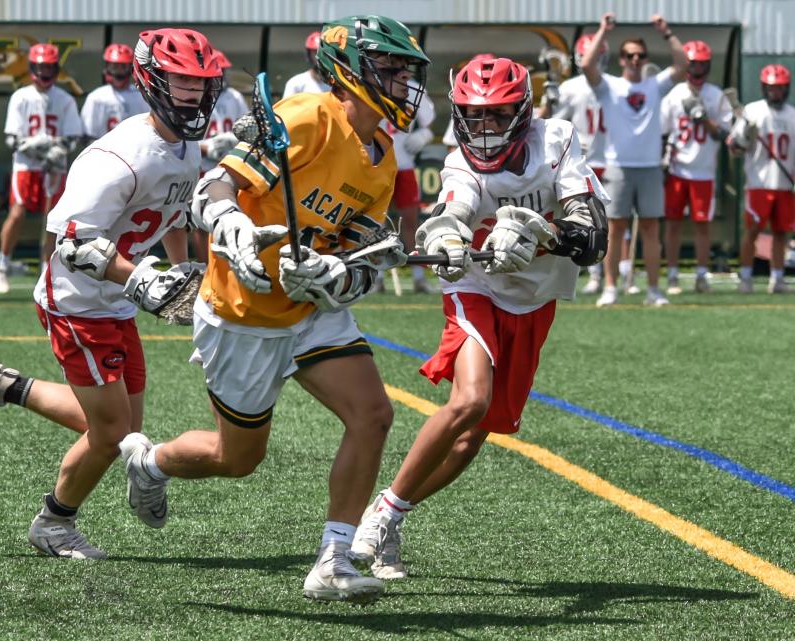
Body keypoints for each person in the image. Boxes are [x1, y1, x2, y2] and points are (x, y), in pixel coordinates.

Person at [114, 16, 429, 602]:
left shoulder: (382, 156)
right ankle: (149, 462)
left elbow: (358, 252)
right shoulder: (306, 117)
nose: (401, 80)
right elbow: (215, 187)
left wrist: (342, 272)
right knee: (236, 458)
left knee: (373, 415)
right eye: (389, 67)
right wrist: (230, 225)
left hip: (309, 311)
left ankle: (334, 560)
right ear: (351, 71)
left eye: (405, 70)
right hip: (243, 312)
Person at [0, 28, 223, 559]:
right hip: (78, 298)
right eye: (181, 81)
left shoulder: (183, 146)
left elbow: (175, 214)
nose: (194, 95)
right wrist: (139, 279)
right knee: (113, 434)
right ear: (152, 81)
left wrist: (186, 282)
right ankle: (53, 524)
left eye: (201, 84)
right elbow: (68, 240)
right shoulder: (121, 155)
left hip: (113, 298)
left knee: (125, 429)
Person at [350, 56, 607, 580]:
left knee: (473, 434)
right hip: (476, 284)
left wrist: (543, 235)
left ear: (523, 111)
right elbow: (453, 209)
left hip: (534, 295)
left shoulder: (555, 139)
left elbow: (590, 237)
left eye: (497, 115)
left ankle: (391, 509)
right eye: (474, 115)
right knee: (470, 398)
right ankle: (382, 517)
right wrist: (446, 236)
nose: (484, 129)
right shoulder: (461, 160)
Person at [581, 12, 687, 307]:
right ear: (622, 58)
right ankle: (611, 287)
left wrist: (667, 32)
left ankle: (654, 289)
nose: (635, 60)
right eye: (629, 55)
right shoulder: (610, 86)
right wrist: (603, 30)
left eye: (640, 55)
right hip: (618, 167)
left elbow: (683, 65)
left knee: (652, 230)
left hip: (651, 167)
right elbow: (587, 65)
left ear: (645, 57)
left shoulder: (655, 85)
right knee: (614, 230)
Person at [0, 43, 83, 294]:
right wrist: (35, 146)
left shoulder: (64, 99)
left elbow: (73, 136)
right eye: (40, 67)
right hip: (26, 165)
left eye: (49, 67)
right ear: (32, 67)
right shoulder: (21, 97)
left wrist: (57, 149)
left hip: (55, 166)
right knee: (18, 212)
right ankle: (2, 265)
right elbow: (12, 138)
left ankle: (48, 271)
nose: (44, 72)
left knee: (53, 220)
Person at [660, 40, 733, 295]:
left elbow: (724, 134)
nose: (698, 68)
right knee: (673, 223)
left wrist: (704, 119)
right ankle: (671, 275)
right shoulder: (675, 94)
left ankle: (702, 275)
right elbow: (663, 132)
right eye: (694, 63)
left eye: (702, 63)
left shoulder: (716, 95)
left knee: (703, 225)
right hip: (677, 168)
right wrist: (663, 161)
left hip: (704, 170)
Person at [540, 34, 611, 294]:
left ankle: (608, 272)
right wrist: (548, 103)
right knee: (582, 218)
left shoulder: (613, 85)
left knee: (605, 221)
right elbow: (553, 125)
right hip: (578, 161)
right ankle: (592, 272)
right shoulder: (572, 88)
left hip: (608, 158)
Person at [728, 64, 795, 293]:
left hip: (784, 184)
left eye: (779, 88)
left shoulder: (793, 115)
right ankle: (745, 276)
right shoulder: (752, 111)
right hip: (759, 182)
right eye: (771, 88)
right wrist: (747, 136)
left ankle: (777, 278)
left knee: (781, 233)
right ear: (763, 88)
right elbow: (735, 147)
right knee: (754, 230)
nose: (774, 92)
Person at [192, 49, 249, 262]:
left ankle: (232, 261)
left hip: (228, 163)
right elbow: (183, 136)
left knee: (231, 211)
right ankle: (204, 267)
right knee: (199, 219)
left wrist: (233, 143)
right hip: (200, 166)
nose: (220, 75)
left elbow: (246, 127)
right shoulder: (197, 96)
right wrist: (206, 148)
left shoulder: (233, 96)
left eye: (222, 71)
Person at [384, 85, 437, 293]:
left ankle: (418, 275)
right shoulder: (370, 79)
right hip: (376, 162)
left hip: (405, 163)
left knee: (411, 222)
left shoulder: (414, 88)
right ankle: (375, 275)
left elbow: (428, 122)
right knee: (375, 221)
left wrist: (423, 135)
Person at [79, 43, 149, 143]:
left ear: (131, 68)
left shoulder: (142, 96)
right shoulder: (96, 97)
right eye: (114, 67)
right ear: (107, 68)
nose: (119, 72)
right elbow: (87, 135)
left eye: (123, 67)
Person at [281, 31, 330, 98]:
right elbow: (285, 108)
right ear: (308, 55)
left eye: (322, 53)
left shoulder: (336, 85)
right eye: (315, 52)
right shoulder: (295, 83)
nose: (319, 57)